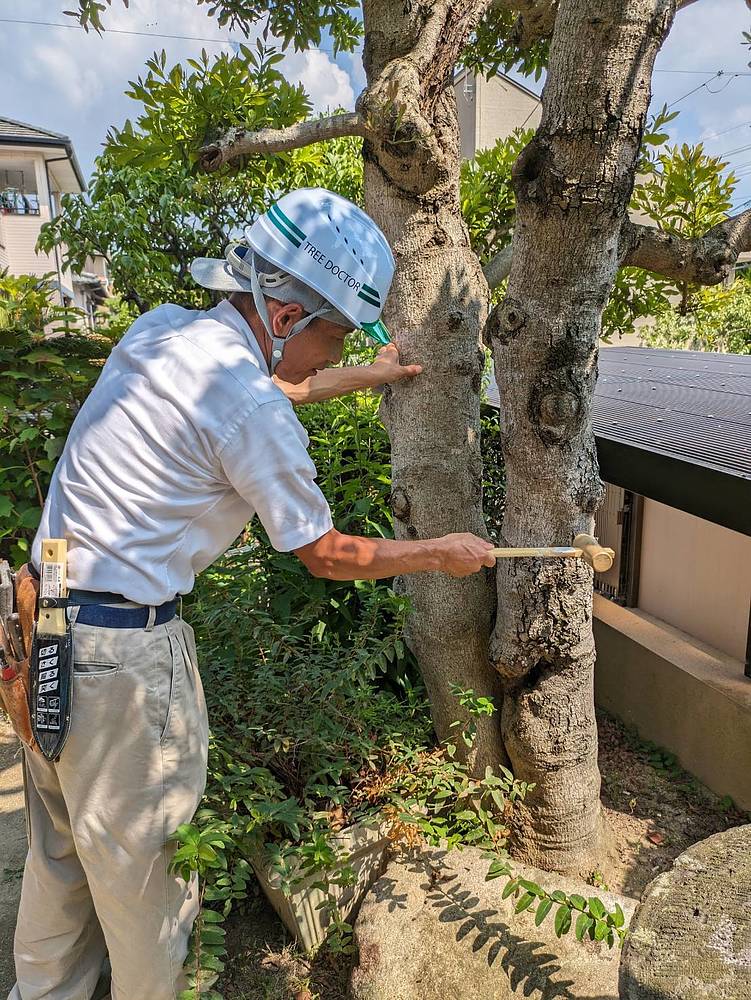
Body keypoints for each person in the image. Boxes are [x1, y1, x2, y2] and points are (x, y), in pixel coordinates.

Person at [12, 188, 496, 1000]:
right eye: (333, 334)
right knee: (145, 885)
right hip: (121, 664)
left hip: (42, 626)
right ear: (283, 318)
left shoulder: (163, 330)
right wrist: (440, 553)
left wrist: (372, 371)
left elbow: (276, 389)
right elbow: (328, 554)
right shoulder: (246, 407)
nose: (327, 351)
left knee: (60, 852)